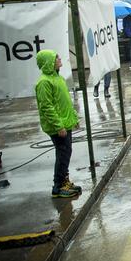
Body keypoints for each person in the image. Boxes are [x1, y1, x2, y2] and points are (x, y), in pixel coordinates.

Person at [34, 50, 81, 199]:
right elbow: (46, 106)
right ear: (49, 62)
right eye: (56, 58)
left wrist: (74, 119)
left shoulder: (58, 78)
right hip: (58, 127)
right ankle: (58, 186)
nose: (59, 59)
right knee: (62, 153)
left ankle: (64, 181)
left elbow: (65, 101)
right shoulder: (44, 82)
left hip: (65, 123)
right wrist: (58, 126)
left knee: (66, 153)